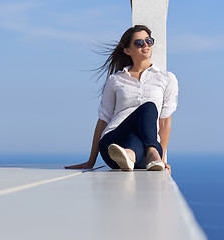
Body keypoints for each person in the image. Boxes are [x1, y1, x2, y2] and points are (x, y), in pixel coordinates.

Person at [65, 25, 178, 174]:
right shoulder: (115, 80)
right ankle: (147, 153)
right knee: (148, 107)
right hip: (113, 146)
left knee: (146, 114)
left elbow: (164, 121)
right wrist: (91, 161)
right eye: (139, 43)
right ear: (127, 50)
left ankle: (131, 155)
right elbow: (103, 119)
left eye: (148, 41)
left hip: (142, 155)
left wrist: (162, 160)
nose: (145, 45)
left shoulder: (166, 78)